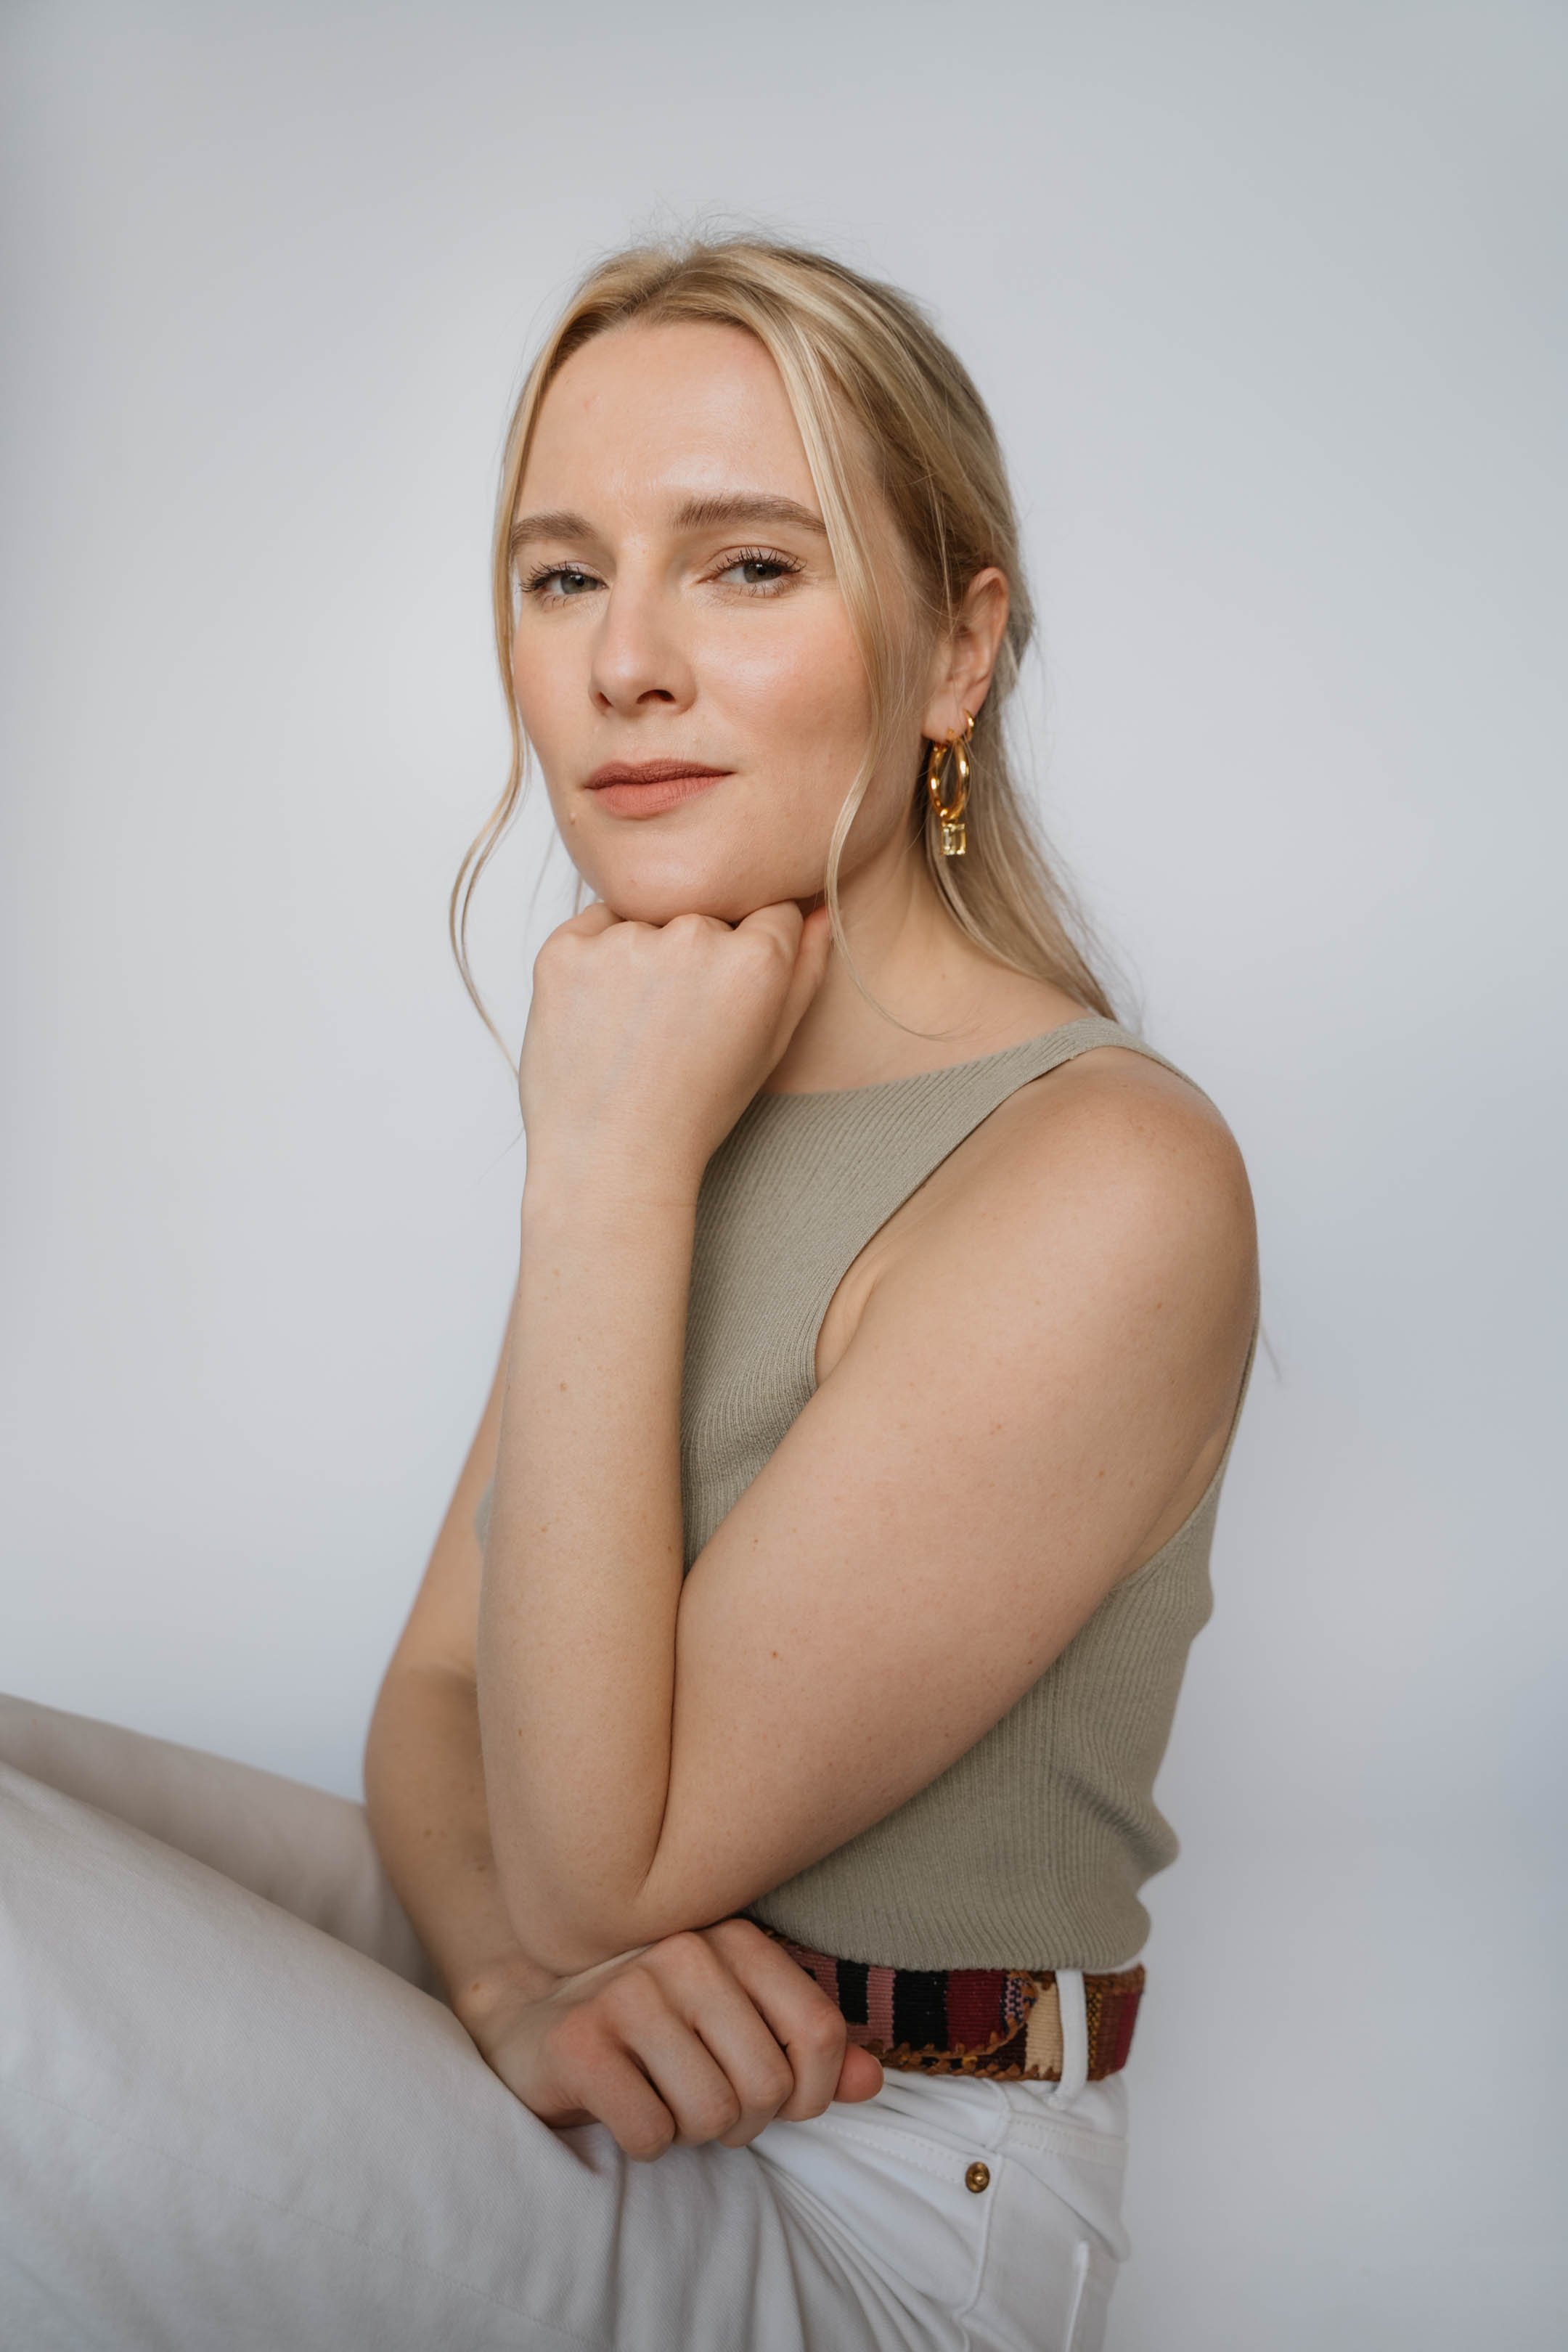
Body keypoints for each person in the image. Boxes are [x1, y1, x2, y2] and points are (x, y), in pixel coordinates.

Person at [0, 232, 1260, 2351]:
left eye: (748, 567)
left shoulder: (1101, 1172)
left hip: (871, 2214)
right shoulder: (690, 1077)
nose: (625, 665)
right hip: (603, 2059)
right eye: (563, 573)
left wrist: (600, 1167)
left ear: (956, 654)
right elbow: (438, 1699)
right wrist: (510, 1985)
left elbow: (611, 1862)